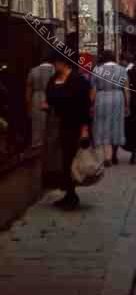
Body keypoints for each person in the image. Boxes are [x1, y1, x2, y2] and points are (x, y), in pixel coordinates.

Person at [43, 53, 92, 210]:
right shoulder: (53, 79)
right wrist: (46, 104)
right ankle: (68, 194)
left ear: (64, 63)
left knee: (70, 160)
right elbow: (49, 97)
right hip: (55, 124)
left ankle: (72, 195)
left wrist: (84, 130)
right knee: (60, 161)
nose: (55, 66)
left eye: (56, 63)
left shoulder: (78, 80)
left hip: (73, 125)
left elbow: (86, 104)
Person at [91, 50, 129, 167]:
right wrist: (127, 104)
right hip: (118, 98)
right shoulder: (122, 70)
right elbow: (126, 88)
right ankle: (114, 155)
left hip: (101, 98)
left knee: (102, 125)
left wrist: (91, 104)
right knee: (116, 125)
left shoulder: (97, 70)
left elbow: (93, 90)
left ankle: (106, 155)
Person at [25, 55, 55, 146]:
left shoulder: (33, 70)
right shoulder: (54, 70)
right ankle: (49, 144)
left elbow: (28, 90)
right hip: (50, 96)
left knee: (36, 122)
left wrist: (28, 104)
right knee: (50, 122)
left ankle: (36, 143)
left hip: (35, 97)